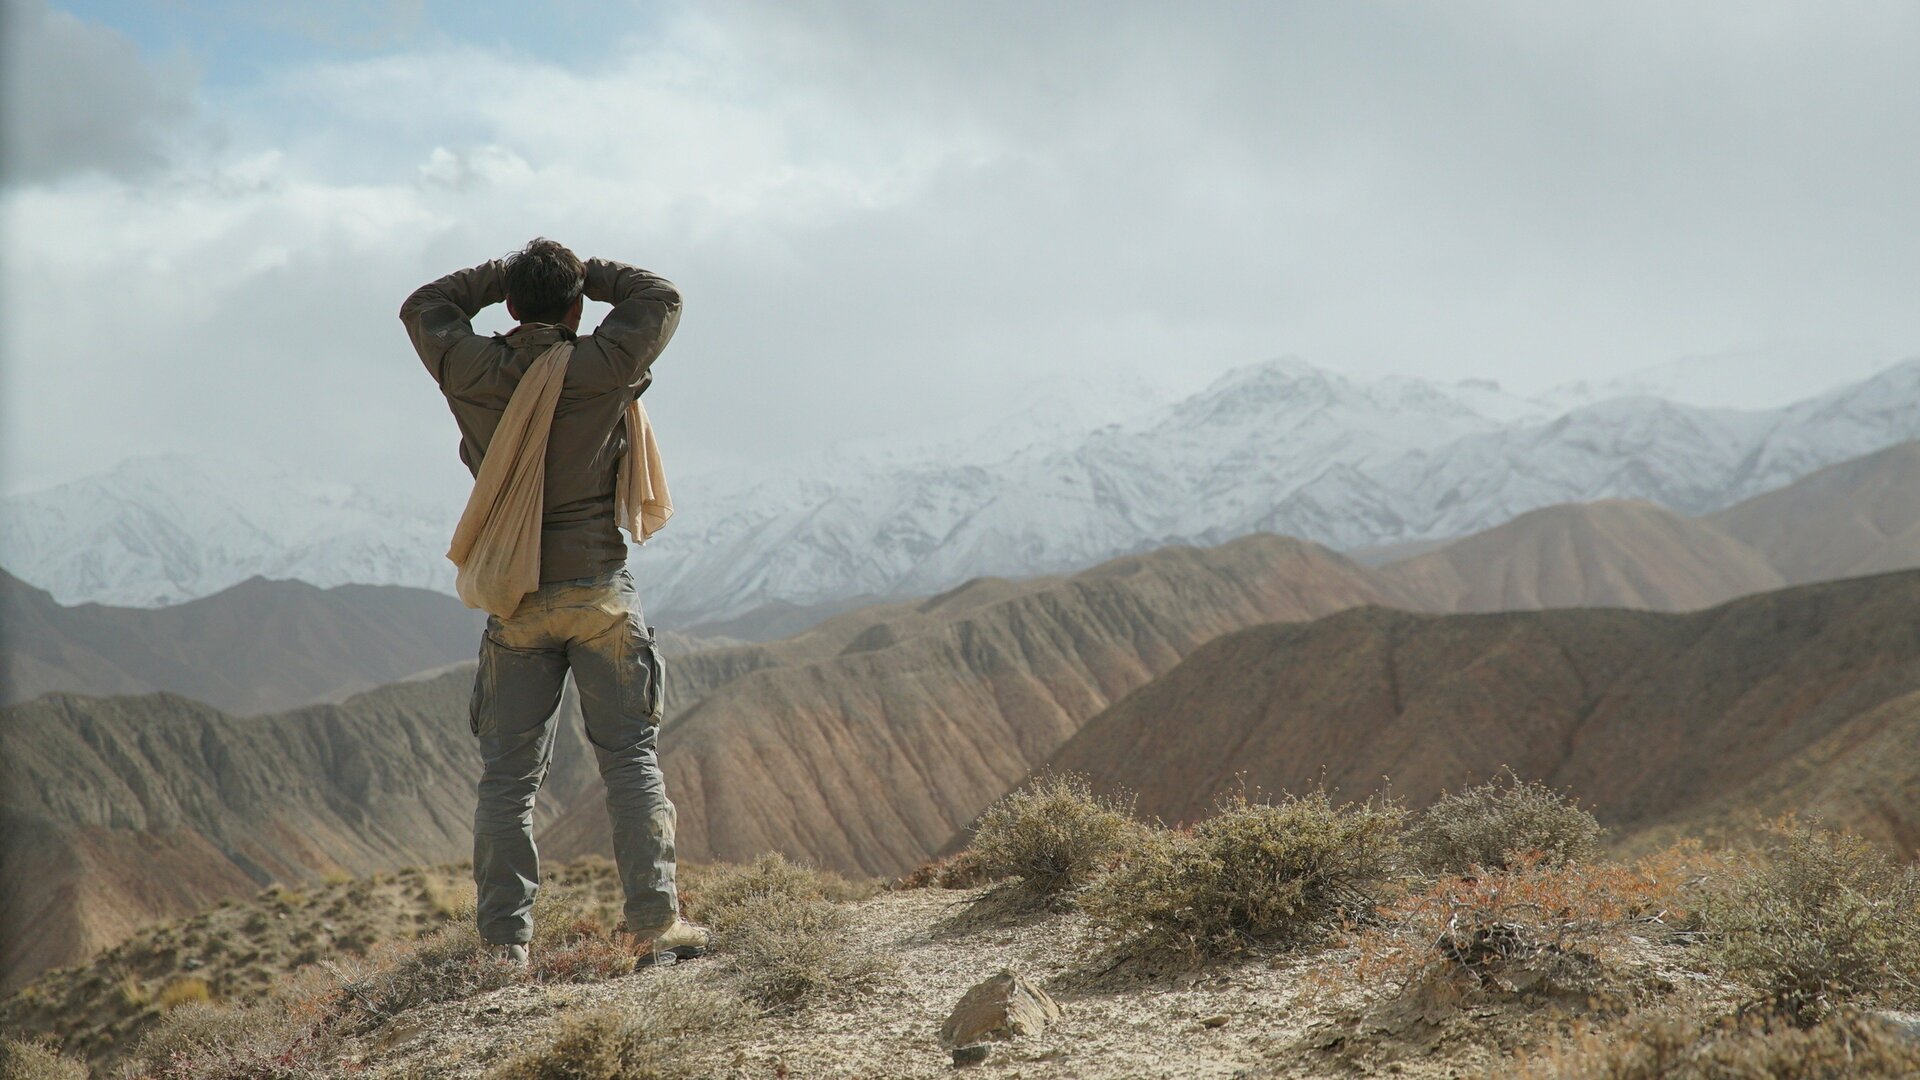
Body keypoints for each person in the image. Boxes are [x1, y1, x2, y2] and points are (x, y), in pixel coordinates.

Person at [399, 238, 707, 968]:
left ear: (509, 305)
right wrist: (588, 274)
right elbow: (659, 297)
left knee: (509, 782)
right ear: (577, 307)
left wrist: (504, 275)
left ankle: (504, 948)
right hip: (598, 593)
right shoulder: (602, 366)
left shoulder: (473, 369)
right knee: (630, 762)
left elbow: (424, 306)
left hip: (516, 599)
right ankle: (654, 926)